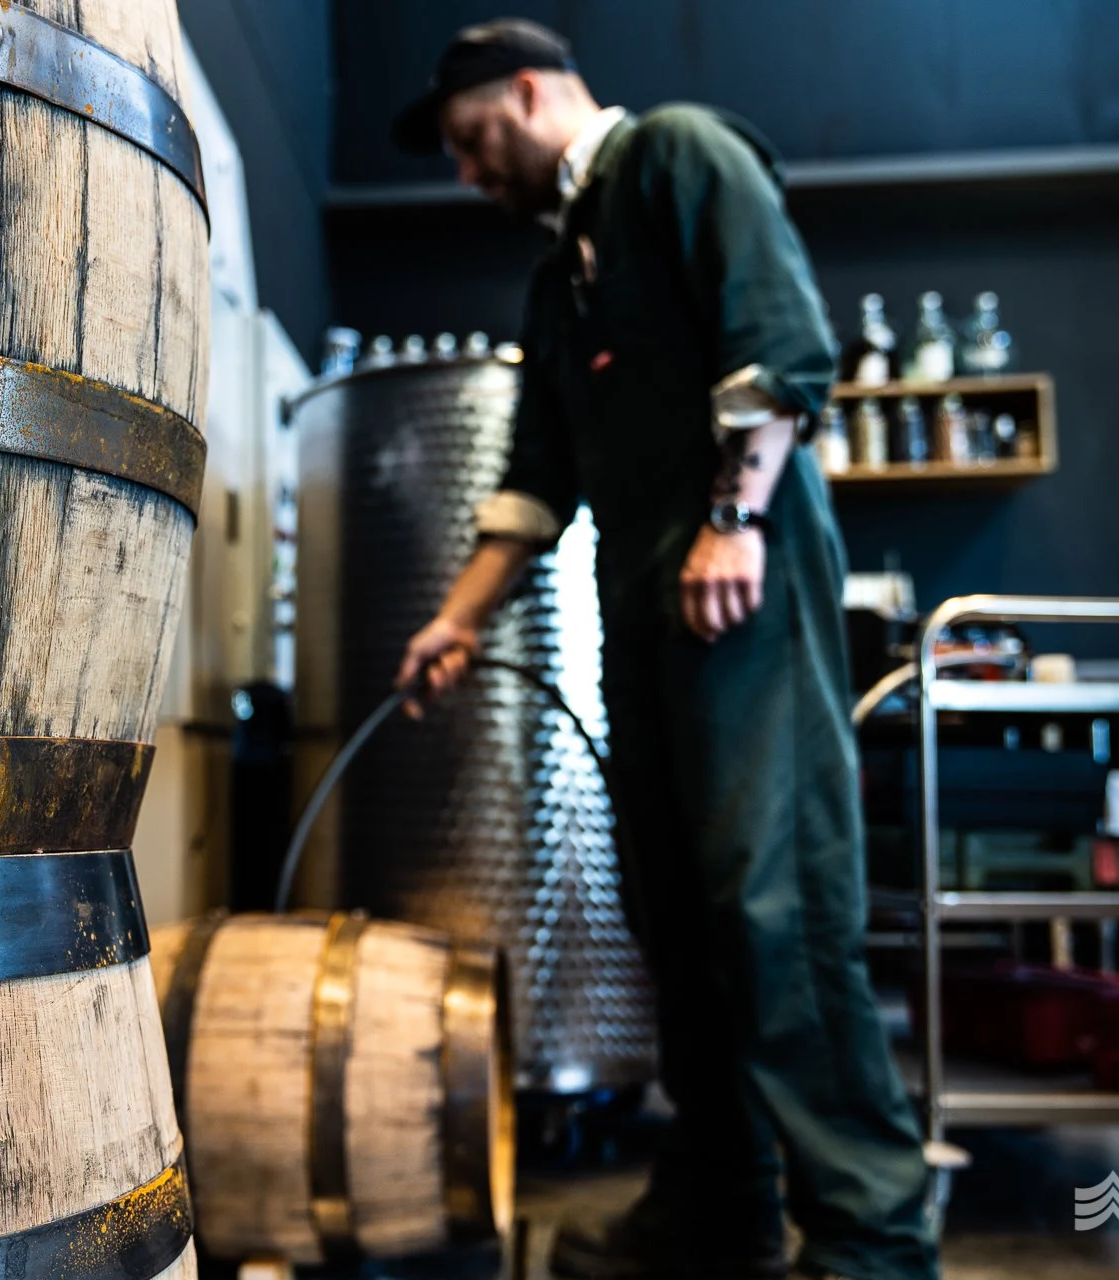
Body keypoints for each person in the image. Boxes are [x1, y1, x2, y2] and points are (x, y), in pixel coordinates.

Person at [389, 20, 938, 1280]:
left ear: (528, 91)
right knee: (674, 917)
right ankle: (719, 1204)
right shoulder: (558, 274)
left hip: (743, 602)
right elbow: (536, 482)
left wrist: (733, 518)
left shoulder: (681, 159)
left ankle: (872, 1239)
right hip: (641, 623)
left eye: (475, 143)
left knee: (774, 911)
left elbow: (781, 345)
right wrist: (455, 618)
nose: (470, 176)